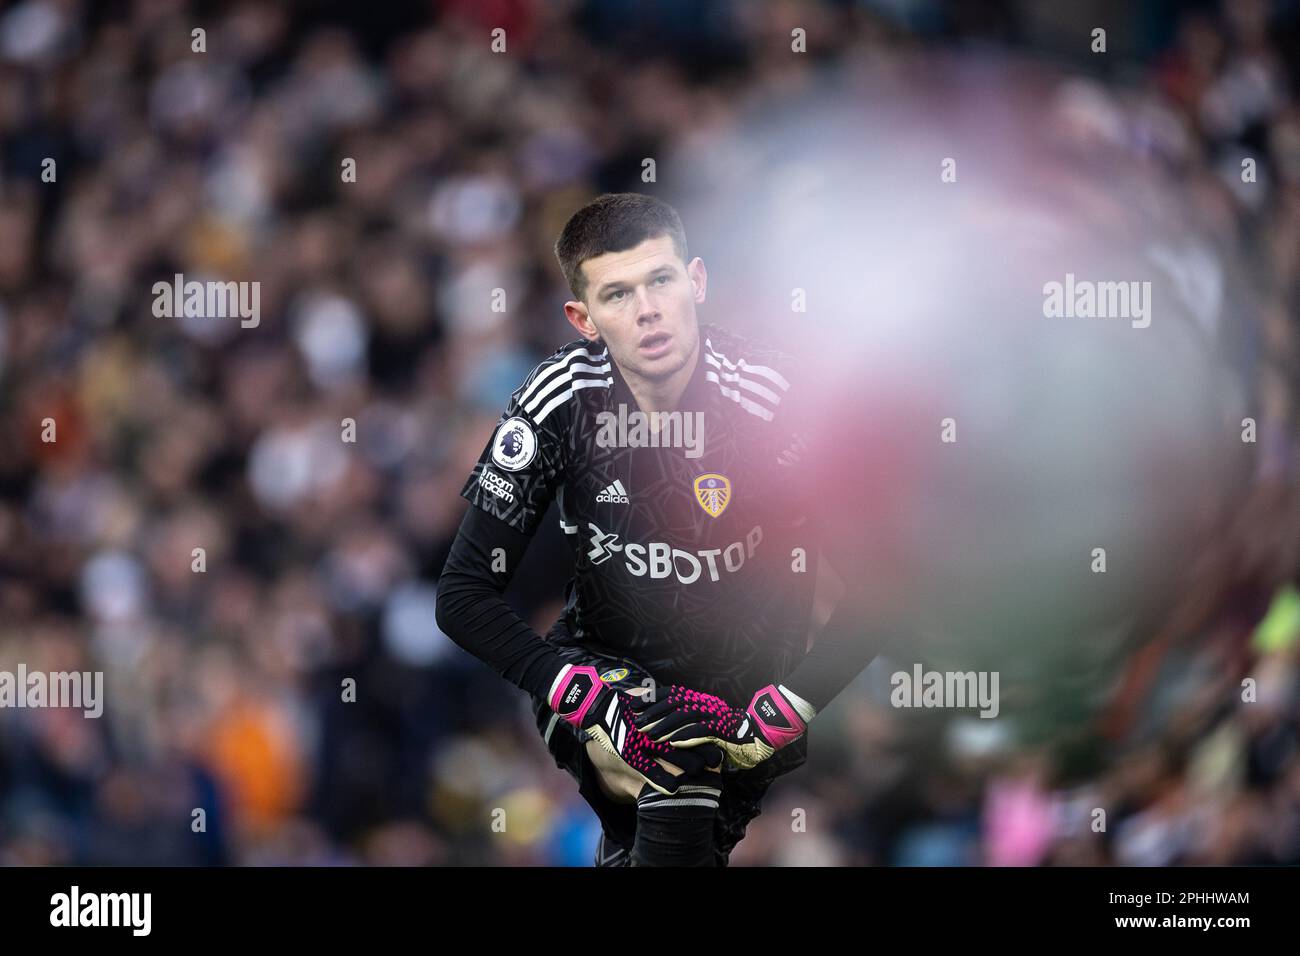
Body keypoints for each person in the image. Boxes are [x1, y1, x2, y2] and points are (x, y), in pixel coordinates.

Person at [436, 192, 888, 866]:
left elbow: (886, 583)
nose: (647, 309)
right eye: (617, 295)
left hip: (749, 695)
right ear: (582, 318)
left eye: (661, 280)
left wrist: (789, 705)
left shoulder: (775, 403)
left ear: (696, 282)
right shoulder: (559, 401)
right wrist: (574, 690)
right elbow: (462, 593)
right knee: (675, 762)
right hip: (600, 684)